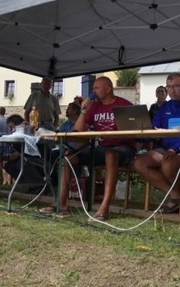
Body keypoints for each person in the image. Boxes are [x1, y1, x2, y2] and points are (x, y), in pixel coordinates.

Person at [42, 76, 135, 221]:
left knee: (111, 154)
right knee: (68, 157)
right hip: (102, 148)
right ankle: (61, 202)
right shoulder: (95, 107)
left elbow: (135, 130)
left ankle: (104, 208)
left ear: (108, 89)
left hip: (123, 148)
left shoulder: (124, 105)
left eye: (97, 88)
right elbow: (78, 131)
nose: (93, 91)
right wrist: (84, 110)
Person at [133, 72, 180, 214]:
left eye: (176, 86)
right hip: (169, 150)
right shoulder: (165, 107)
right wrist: (137, 134)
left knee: (168, 164)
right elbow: (154, 128)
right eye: (169, 87)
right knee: (139, 163)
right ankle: (177, 195)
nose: (172, 90)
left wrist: (176, 149)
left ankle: (176, 199)